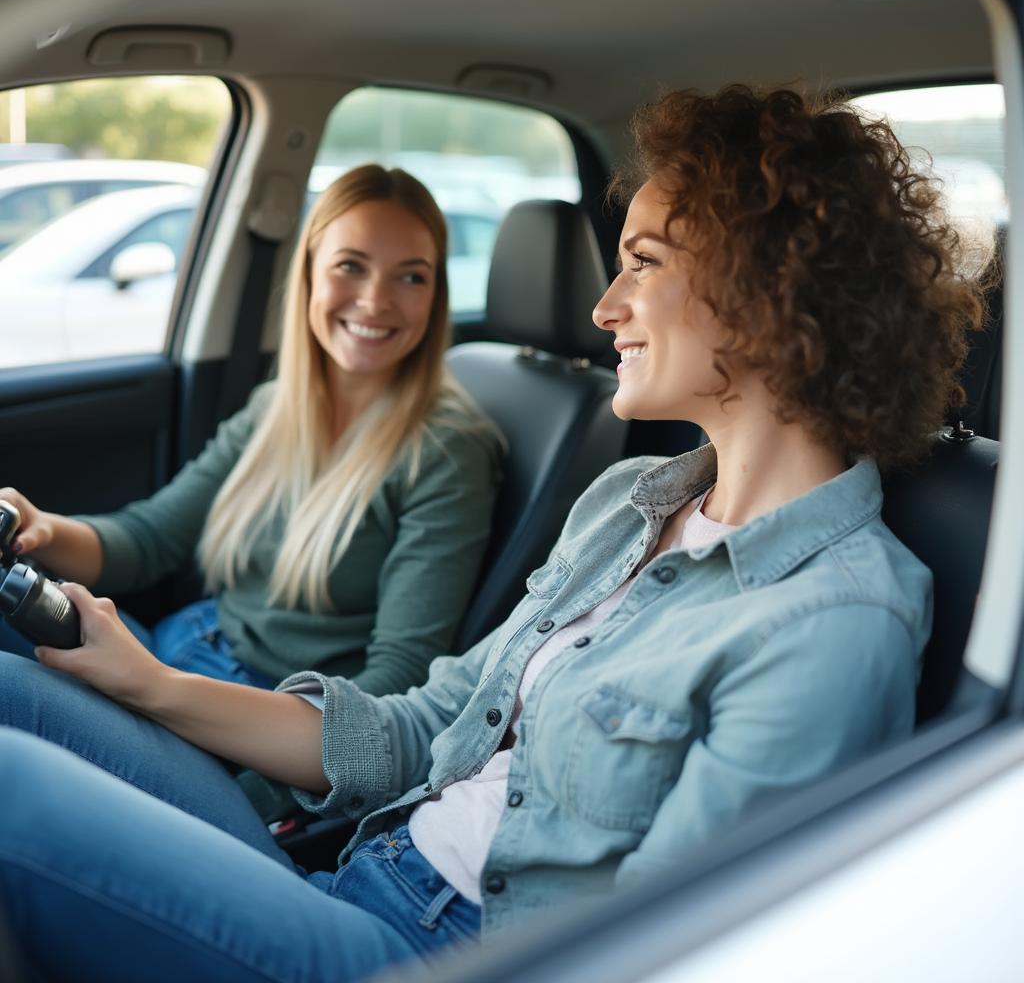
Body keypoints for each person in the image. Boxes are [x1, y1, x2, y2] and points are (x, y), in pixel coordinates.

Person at [0, 85, 984, 981]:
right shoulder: (629, 498)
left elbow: (668, 946)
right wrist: (147, 680)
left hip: (426, 952)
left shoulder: (833, 618)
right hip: (350, 864)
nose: (603, 309)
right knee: (16, 690)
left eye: (641, 263)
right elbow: (421, 727)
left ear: (770, 287)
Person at [0, 164, 504, 697]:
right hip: (181, 650)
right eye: (350, 266)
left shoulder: (447, 450)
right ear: (309, 273)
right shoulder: (275, 408)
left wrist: (160, 691)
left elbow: (398, 680)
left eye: (411, 276)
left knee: (16, 698)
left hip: (259, 714)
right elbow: (149, 540)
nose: (376, 300)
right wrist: (43, 529)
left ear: (436, 295)